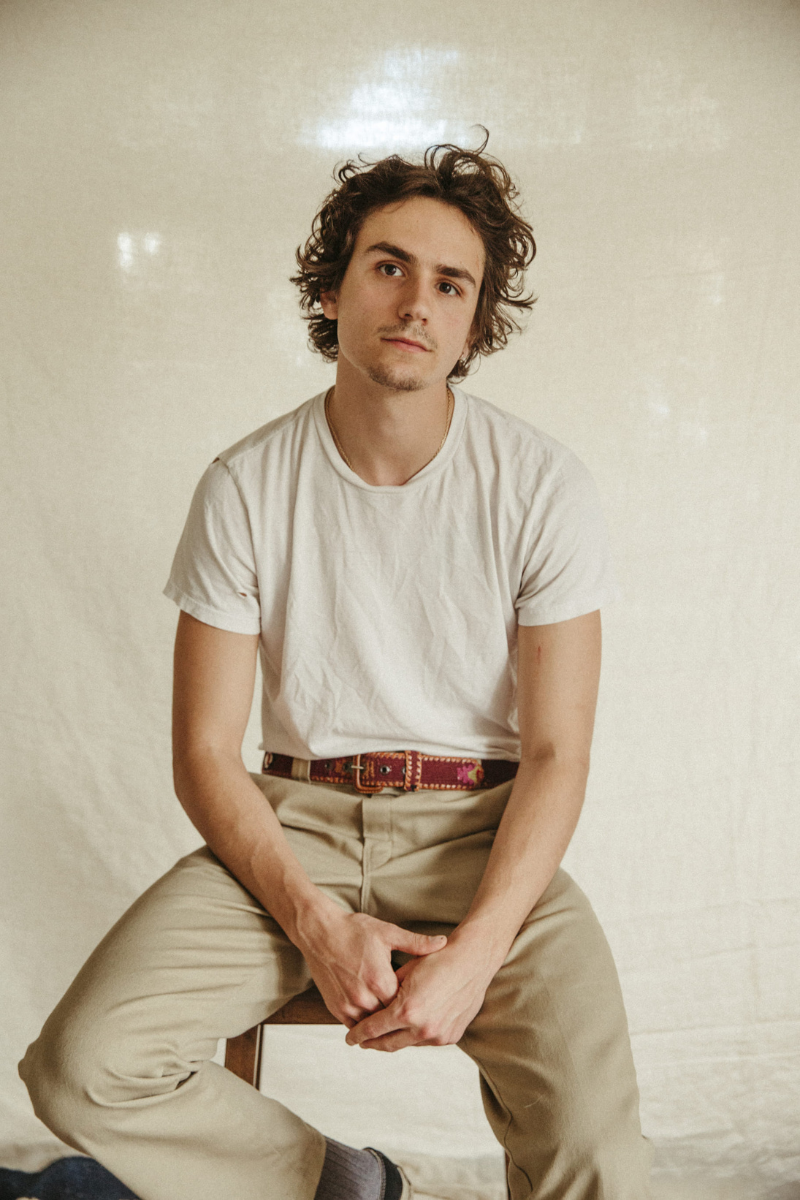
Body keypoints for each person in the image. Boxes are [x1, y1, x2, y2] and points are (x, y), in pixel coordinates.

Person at [20, 140, 652, 1200]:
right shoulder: (244, 484)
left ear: (473, 319)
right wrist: (314, 920)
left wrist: (475, 953)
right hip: (291, 832)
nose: (415, 301)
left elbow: (556, 752)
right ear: (332, 286)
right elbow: (202, 754)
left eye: (449, 283)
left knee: (598, 1152)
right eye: (387, 266)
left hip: (481, 835)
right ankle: (342, 1186)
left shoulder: (542, 486)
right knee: (83, 1070)